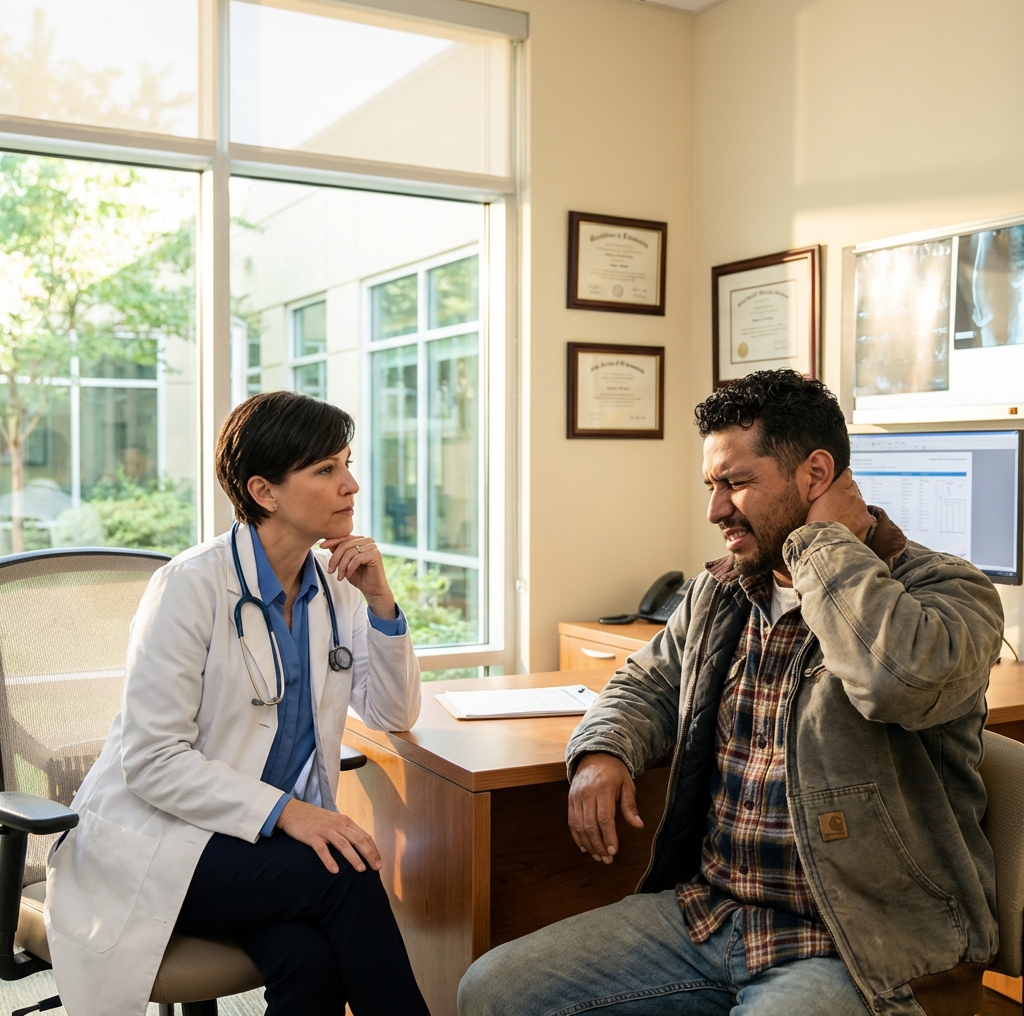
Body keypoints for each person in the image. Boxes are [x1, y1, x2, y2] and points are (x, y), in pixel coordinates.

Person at [459, 370, 1003, 1016]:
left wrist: (822, 544)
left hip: (856, 938)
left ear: (816, 475)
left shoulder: (947, 591)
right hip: (712, 914)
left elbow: (894, 681)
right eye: (712, 486)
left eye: (736, 484)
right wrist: (604, 751)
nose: (715, 510)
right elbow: (646, 682)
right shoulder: (722, 591)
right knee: (492, 992)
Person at [46, 391, 431, 1016]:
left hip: (251, 848)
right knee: (348, 877)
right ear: (264, 490)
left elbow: (393, 715)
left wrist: (383, 602)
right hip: (165, 841)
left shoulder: (338, 588)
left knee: (306, 957)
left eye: (347, 463)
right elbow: (151, 760)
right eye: (326, 469)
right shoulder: (190, 585)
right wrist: (290, 814)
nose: (351, 484)